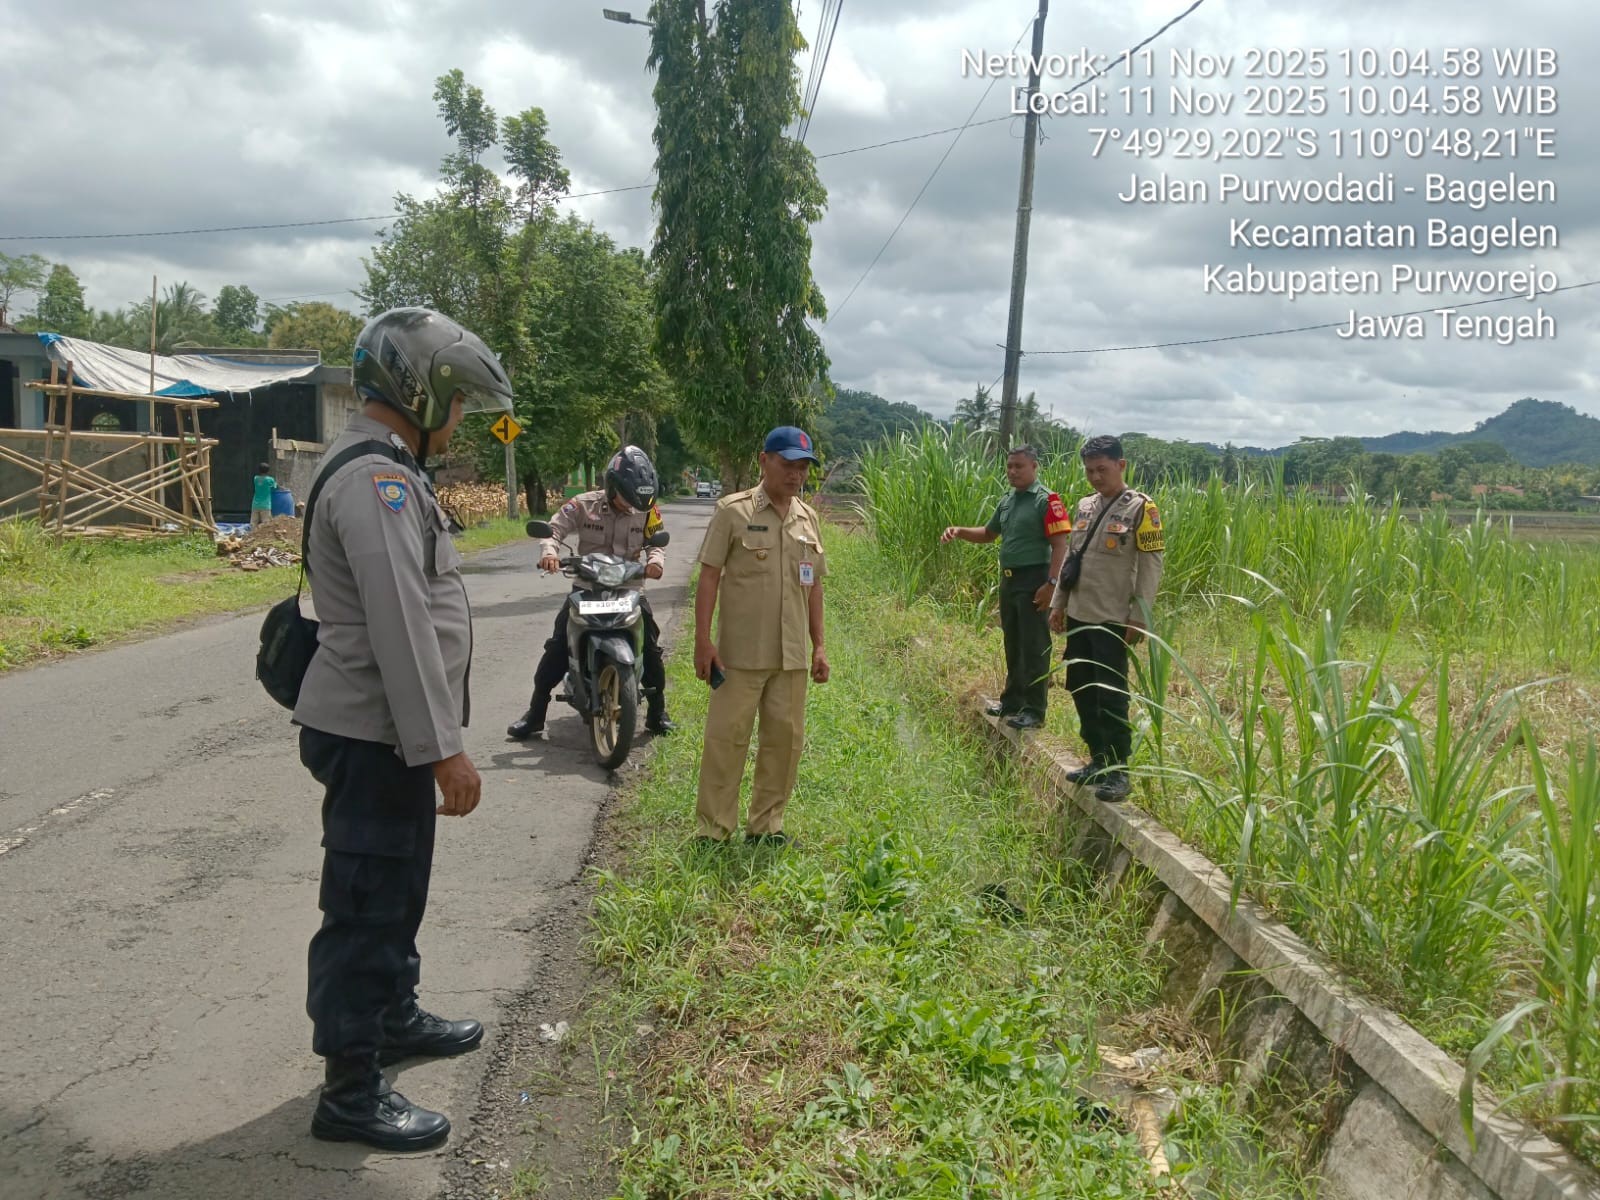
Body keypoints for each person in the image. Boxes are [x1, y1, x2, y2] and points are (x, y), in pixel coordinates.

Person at [292, 307, 513, 1151]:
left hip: (390, 736)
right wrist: (445, 750)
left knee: (396, 889)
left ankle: (392, 1016)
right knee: (366, 905)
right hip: (376, 734)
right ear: (417, 395)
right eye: (455, 403)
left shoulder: (387, 470)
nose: (460, 420)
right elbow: (402, 627)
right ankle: (350, 1088)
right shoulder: (374, 481)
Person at [693, 426, 830, 844]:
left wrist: (819, 644)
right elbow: (710, 575)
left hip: (791, 657)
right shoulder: (733, 512)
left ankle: (766, 825)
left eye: (803, 467)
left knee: (784, 743)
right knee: (726, 741)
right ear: (764, 460)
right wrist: (703, 640)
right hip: (740, 653)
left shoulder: (807, 520)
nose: (796, 475)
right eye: (788, 464)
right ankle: (714, 829)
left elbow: (814, 587)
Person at [507, 445, 675, 740]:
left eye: (639, 499)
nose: (632, 505)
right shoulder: (584, 505)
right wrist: (550, 552)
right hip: (587, 588)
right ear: (612, 486)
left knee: (650, 647)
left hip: (629, 589)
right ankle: (535, 713)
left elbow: (655, 542)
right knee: (558, 645)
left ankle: (657, 713)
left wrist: (655, 562)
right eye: (627, 497)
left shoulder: (646, 509)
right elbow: (554, 529)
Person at [1048, 435, 1164, 802]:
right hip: (1080, 613)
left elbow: (1151, 566)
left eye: (1102, 469)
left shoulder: (1142, 509)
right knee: (1082, 688)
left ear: (1121, 465)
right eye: (1089, 470)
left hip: (1113, 619)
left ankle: (1118, 770)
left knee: (1111, 694)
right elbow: (1071, 560)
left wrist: (1139, 617)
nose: (1096, 477)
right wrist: (1058, 604)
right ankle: (1097, 757)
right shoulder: (1084, 506)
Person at [940, 445, 1071, 730]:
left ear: (1034, 467)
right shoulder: (1008, 500)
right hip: (1010, 580)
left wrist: (1051, 585)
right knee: (1013, 641)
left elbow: (1061, 546)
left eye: (1019, 466)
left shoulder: (1046, 501)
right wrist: (959, 531)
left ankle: (1035, 710)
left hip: (1035, 579)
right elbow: (989, 534)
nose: (1012, 471)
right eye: (1009, 466)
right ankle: (1012, 702)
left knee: (1034, 645)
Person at [251, 461, 276, 528]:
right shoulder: (270, 480)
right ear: (268, 471)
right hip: (265, 504)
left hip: (255, 504)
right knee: (266, 524)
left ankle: (252, 535)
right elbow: (275, 487)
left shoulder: (255, 478)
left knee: (253, 523)